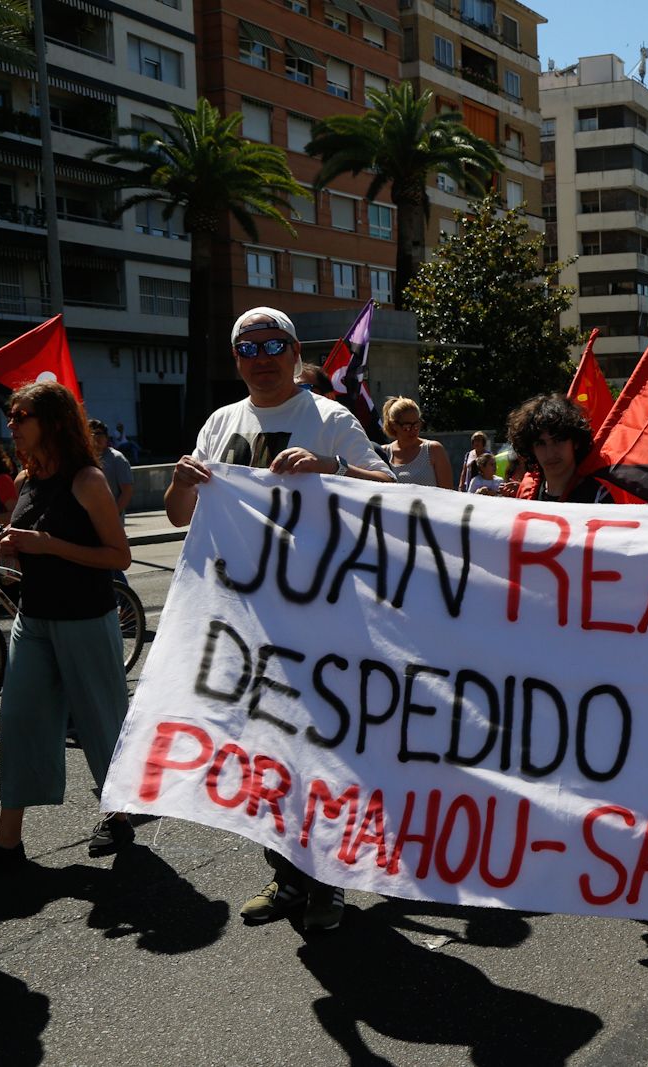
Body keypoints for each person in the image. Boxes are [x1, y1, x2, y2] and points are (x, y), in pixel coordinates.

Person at [165, 306, 392, 931]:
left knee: (323, 755)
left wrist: (332, 471)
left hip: (324, 621)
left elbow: (392, 491)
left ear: (295, 353)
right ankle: (287, 875)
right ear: (236, 360)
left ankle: (330, 883)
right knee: (265, 755)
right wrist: (183, 483)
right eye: (248, 347)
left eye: (273, 345)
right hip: (247, 623)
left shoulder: (329, 417)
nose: (261, 358)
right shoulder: (221, 422)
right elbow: (178, 516)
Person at [0, 382, 135, 873]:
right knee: (21, 721)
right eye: (10, 416)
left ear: (52, 420)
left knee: (100, 723)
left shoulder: (87, 479)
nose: (12, 425)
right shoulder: (27, 480)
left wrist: (47, 545)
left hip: (86, 619)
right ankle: (8, 838)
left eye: (20, 415)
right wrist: (13, 546)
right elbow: (34, 542)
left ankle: (118, 811)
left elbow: (119, 556)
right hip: (35, 618)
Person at [506, 393, 606, 503]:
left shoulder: (599, 497)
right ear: (531, 449)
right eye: (541, 443)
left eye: (558, 440)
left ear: (576, 442)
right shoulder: (526, 493)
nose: (550, 453)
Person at [378, 397, 453, 488]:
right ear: (394, 425)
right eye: (407, 427)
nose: (413, 430)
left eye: (416, 425)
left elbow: (448, 492)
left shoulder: (433, 450)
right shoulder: (383, 453)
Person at [89, 419, 135, 517]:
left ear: (106, 437)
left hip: (110, 521)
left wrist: (112, 516)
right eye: (91, 434)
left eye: (98, 433)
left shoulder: (117, 458)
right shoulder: (86, 460)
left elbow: (127, 491)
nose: (94, 437)